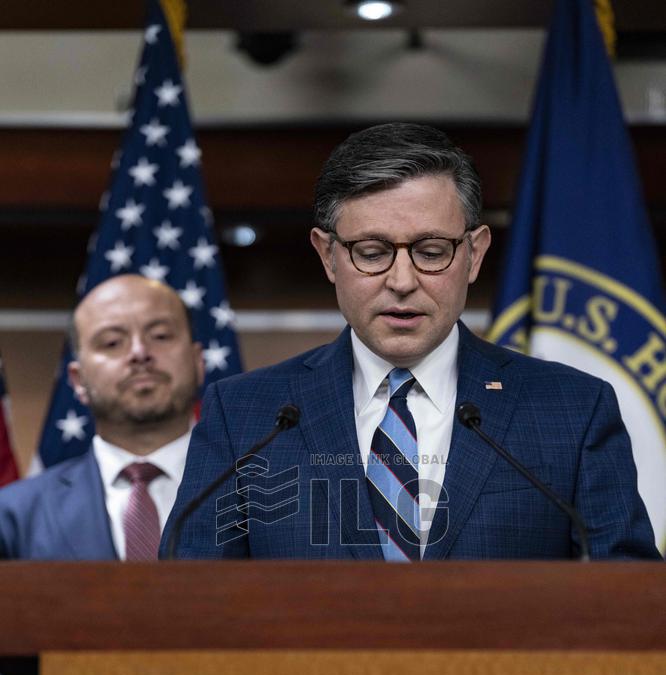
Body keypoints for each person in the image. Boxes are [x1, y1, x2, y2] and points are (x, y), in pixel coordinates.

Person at [163, 123, 660, 560]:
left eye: (431, 251)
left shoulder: (571, 410)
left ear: (474, 253)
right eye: (373, 252)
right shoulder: (246, 414)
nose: (402, 280)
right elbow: (190, 602)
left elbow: (630, 598)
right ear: (328, 256)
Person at [0, 274, 204, 559]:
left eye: (160, 336)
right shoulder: (13, 514)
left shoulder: (264, 494)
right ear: (78, 380)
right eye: (111, 343)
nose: (139, 352)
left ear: (198, 361)